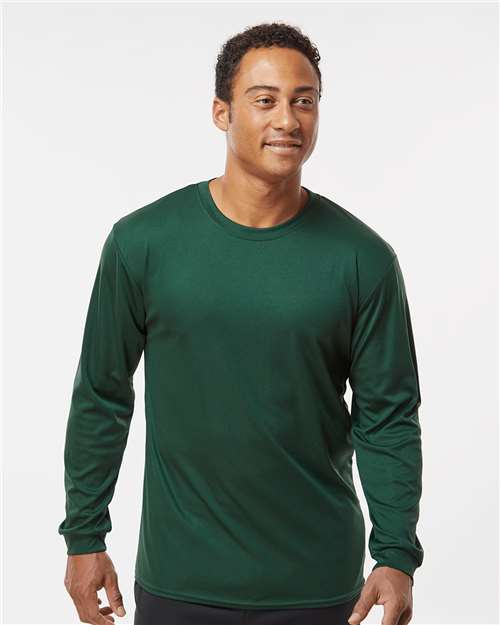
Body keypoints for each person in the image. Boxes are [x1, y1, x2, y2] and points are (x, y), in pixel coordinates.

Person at [58, 21, 424, 625]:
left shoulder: (363, 259)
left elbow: (387, 417)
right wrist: (84, 535)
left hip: (319, 586)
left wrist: (395, 554)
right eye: (265, 99)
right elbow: (101, 394)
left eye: (304, 101)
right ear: (221, 112)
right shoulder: (142, 243)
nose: (288, 119)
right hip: (180, 581)